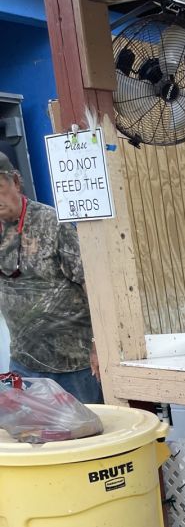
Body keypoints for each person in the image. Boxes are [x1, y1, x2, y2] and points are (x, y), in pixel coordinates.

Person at [0, 151, 101, 403]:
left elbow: (92, 283)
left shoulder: (53, 223)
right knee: (33, 427)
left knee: (87, 426)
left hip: (75, 365)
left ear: (16, 182)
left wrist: (100, 344)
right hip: (24, 361)